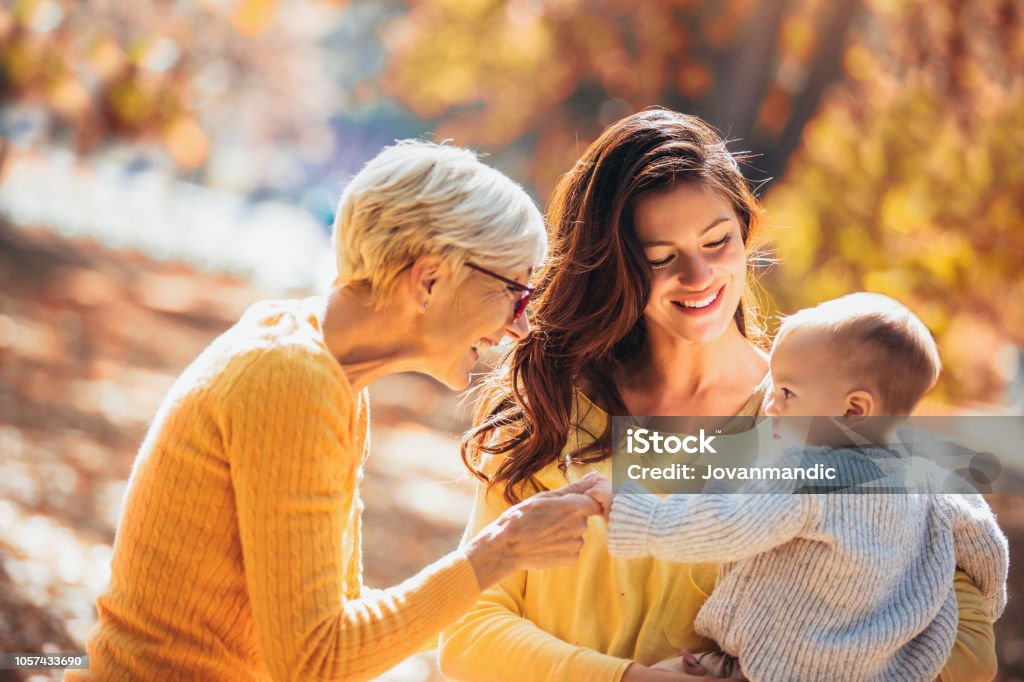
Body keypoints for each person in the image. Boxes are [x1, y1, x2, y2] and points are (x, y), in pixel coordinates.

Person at [438, 109, 999, 681]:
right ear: (615, 268)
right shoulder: (552, 408)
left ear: (744, 232)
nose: (699, 274)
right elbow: (467, 627)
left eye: (717, 241)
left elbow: (969, 651)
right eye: (661, 258)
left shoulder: (820, 425)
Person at [66, 140, 604, 681]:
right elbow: (317, 662)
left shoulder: (330, 371)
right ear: (430, 279)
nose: (522, 325)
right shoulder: (290, 379)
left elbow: (338, 622)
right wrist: (499, 551)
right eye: (516, 293)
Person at [590, 292, 1009, 681]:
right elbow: (987, 547)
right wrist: (990, 604)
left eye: (787, 392)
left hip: (775, 666)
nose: (770, 405)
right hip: (874, 667)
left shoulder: (804, 476)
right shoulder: (927, 479)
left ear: (853, 408)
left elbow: (724, 526)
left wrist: (634, 512)